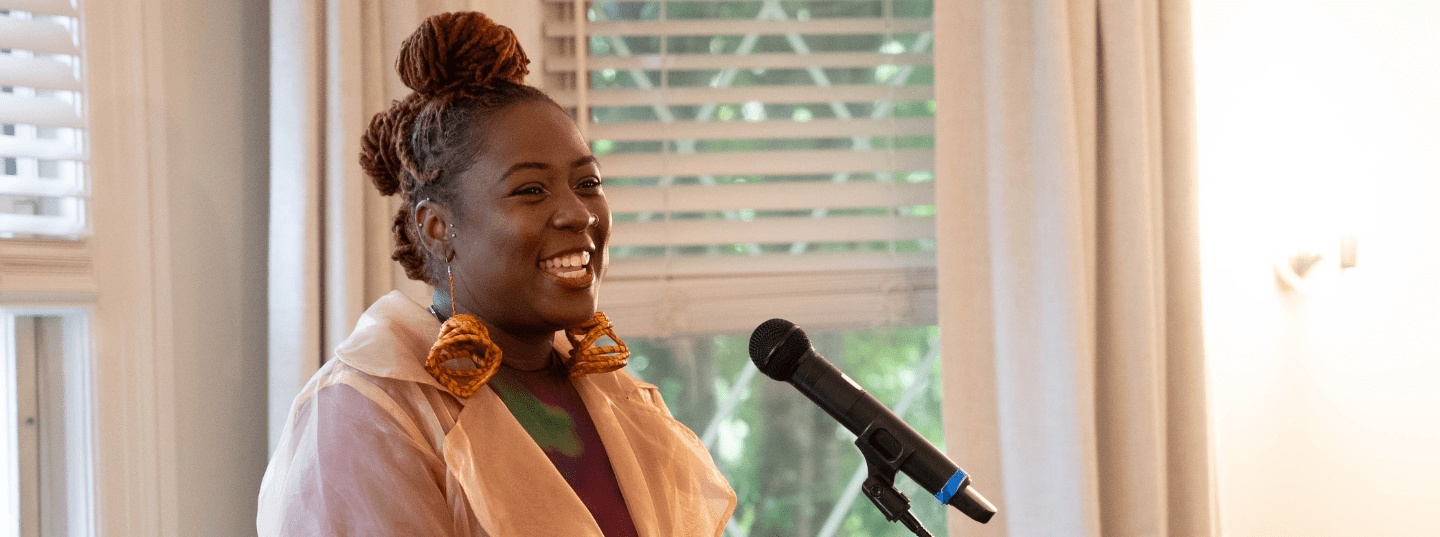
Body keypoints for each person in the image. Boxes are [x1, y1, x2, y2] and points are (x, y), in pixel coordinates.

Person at [257, 12, 736, 536]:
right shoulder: (367, 413)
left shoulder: (623, 406)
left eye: (588, 182)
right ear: (438, 227)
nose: (579, 213)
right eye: (531, 190)